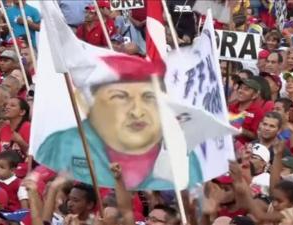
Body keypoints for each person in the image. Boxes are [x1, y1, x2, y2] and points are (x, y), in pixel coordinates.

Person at [35, 56, 202, 190]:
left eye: (148, 97)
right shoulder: (60, 146)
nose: (137, 111)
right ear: (85, 102)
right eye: (120, 97)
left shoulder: (180, 152)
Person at [229, 79, 264, 145]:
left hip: (243, 150)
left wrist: (240, 130)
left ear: (255, 95)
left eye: (246, 89)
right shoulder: (231, 107)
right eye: (240, 88)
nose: (240, 91)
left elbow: (257, 136)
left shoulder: (258, 112)